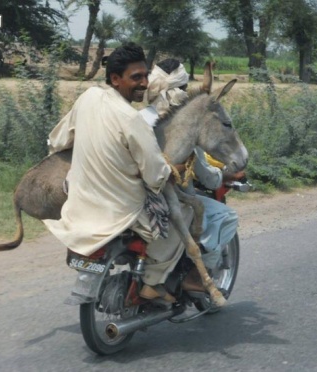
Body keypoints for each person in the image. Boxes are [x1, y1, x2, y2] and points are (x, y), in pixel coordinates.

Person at [44, 43, 204, 303]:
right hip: (120, 210)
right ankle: (153, 281)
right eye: (136, 77)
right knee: (184, 213)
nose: (143, 84)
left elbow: (57, 141)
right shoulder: (133, 119)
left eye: (145, 76)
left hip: (80, 201)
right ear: (115, 79)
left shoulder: (88, 98)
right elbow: (156, 176)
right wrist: (175, 169)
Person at [139, 58, 245, 270]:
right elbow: (207, 177)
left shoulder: (138, 117)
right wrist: (225, 175)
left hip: (133, 195)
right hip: (166, 200)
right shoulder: (183, 127)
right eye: (185, 88)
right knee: (225, 216)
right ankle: (195, 276)